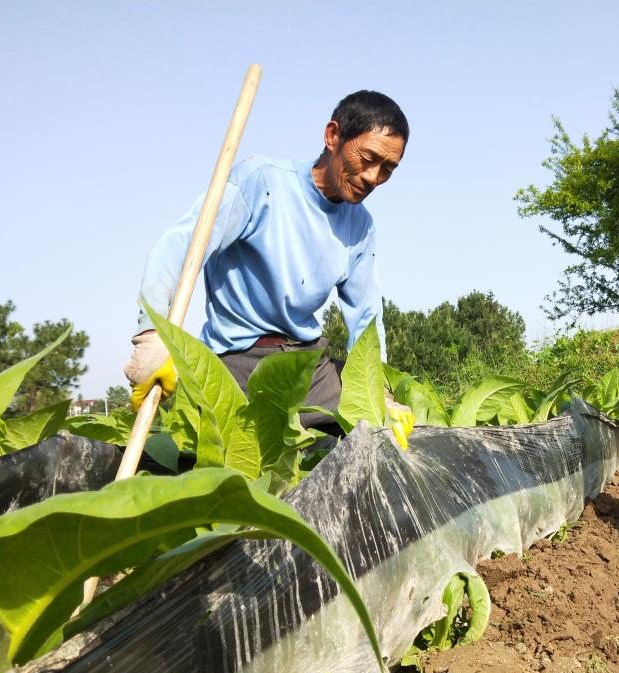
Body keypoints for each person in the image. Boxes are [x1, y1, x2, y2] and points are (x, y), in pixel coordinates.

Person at [123, 90, 409, 428]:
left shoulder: (361, 227)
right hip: (240, 363)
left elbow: (366, 319)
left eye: (387, 169)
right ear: (333, 136)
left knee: (381, 439)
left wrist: (379, 390)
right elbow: (180, 246)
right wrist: (153, 333)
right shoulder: (262, 182)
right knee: (236, 462)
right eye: (368, 158)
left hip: (309, 369)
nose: (372, 178)